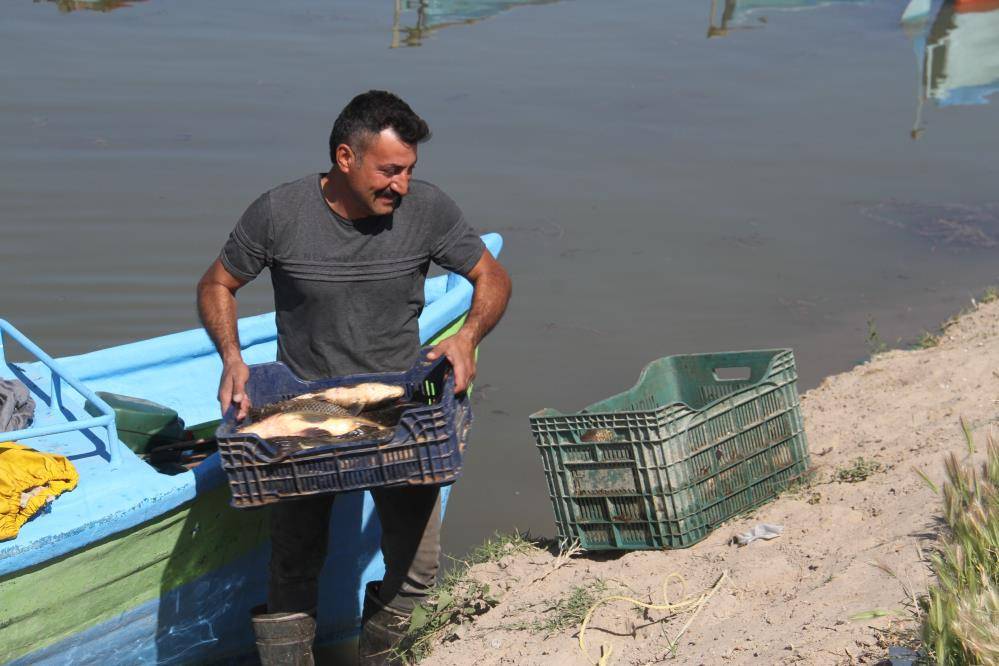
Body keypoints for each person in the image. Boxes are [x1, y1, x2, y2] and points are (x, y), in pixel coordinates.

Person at [196, 90, 511, 665]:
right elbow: (217, 284)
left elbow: (491, 275)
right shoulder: (278, 213)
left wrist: (465, 337)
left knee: (417, 574)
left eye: (410, 171)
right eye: (389, 171)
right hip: (305, 409)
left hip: (402, 407)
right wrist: (233, 358)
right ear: (345, 158)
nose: (402, 186)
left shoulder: (429, 211)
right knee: (293, 571)